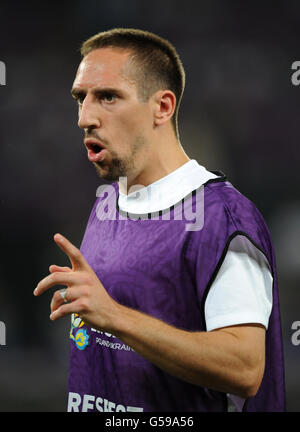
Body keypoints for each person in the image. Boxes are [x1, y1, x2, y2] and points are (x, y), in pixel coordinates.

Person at [34, 28, 285, 412]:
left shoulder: (222, 218)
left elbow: (245, 367)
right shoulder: (109, 202)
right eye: (80, 98)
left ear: (162, 107)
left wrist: (115, 316)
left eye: (108, 97)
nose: (85, 117)